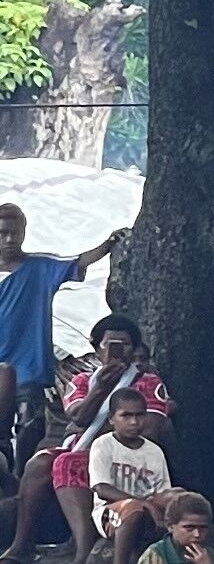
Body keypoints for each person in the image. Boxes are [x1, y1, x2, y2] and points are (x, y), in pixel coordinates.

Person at [2, 315, 167, 564]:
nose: (116, 351)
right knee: (39, 463)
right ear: (96, 347)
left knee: (69, 462)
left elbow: (150, 428)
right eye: (108, 344)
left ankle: (83, 553)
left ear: (134, 349)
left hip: (122, 450)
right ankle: (22, 546)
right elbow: (78, 417)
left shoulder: (147, 383)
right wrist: (100, 389)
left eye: (124, 345)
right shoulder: (82, 380)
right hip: (82, 445)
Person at [0, 196, 128, 460]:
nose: (10, 239)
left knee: (30, 427)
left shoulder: (40, 268)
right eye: (3, 233)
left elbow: (79, 262)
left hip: (30, 369)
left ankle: (21, 477)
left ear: (24, 233)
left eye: (15, 232)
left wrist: (108, 244)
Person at [83, 383, 177, 564]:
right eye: (126, 416)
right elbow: (101, 488)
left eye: (139, 415)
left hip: (149, 509)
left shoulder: (154, 451)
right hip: (112, 511)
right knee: (133, 508)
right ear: (111, 419)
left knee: (179, 498)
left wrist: (160, 506)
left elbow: (164, 491)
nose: (134, 422)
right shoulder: (103, 445)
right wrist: (144, 504)